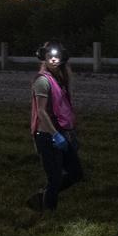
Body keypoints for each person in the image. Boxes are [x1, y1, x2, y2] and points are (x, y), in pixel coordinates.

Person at [28, 41, 83, 211]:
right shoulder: (42, 81)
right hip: (47, 136)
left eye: (57, 56)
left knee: (76, 173)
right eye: (49, 56)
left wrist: (69, 133)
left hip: (62, 133)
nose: (53, 59)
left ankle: (44, 196)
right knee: (55, 179)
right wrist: (55, 135)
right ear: (43, 57)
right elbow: (42, 112)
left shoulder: (60, 80)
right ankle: (48, 213)